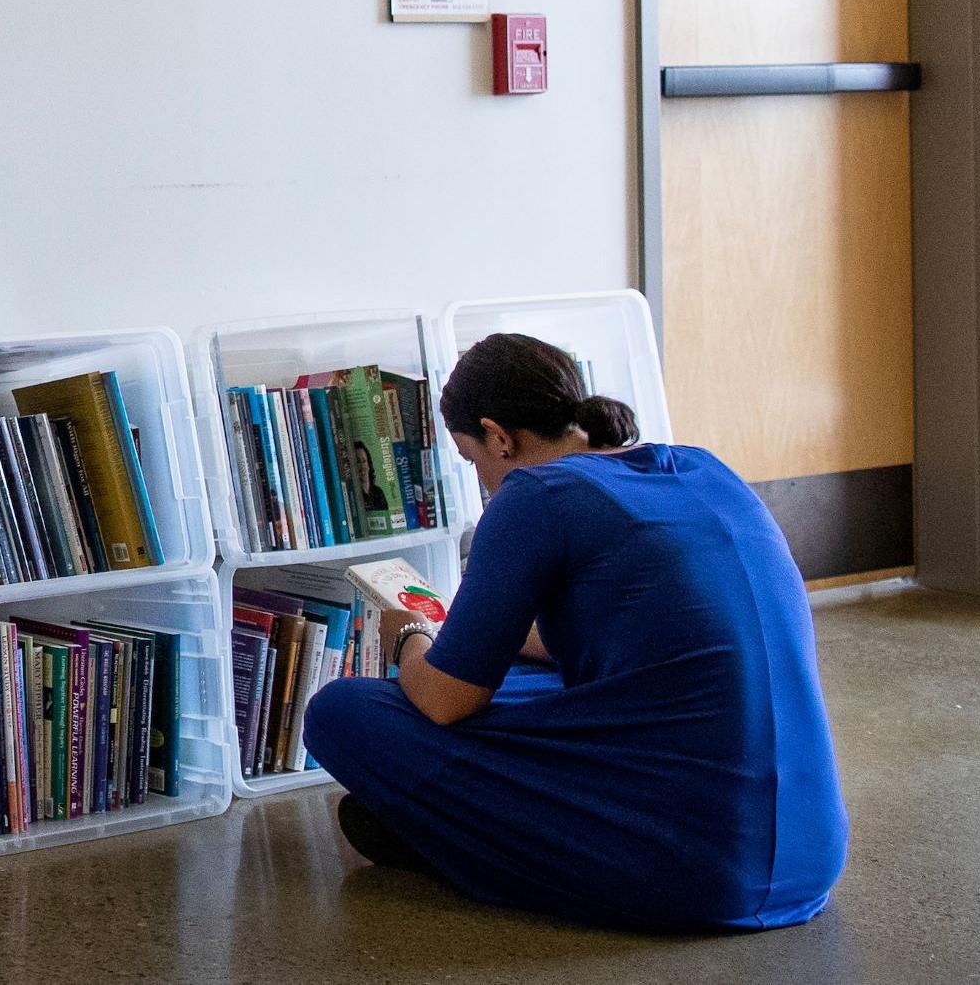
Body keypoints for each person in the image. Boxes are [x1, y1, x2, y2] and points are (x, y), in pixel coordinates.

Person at [299, 333, 847, 932]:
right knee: (514, 679)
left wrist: (410, 638)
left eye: (471, 457)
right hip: (811, 854)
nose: (481, 478)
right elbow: (633, 635)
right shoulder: (701, 466)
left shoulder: (533, 496)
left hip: (701, 875)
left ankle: (447, 835)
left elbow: (446, 699)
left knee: (345, 710)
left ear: (499, 436)